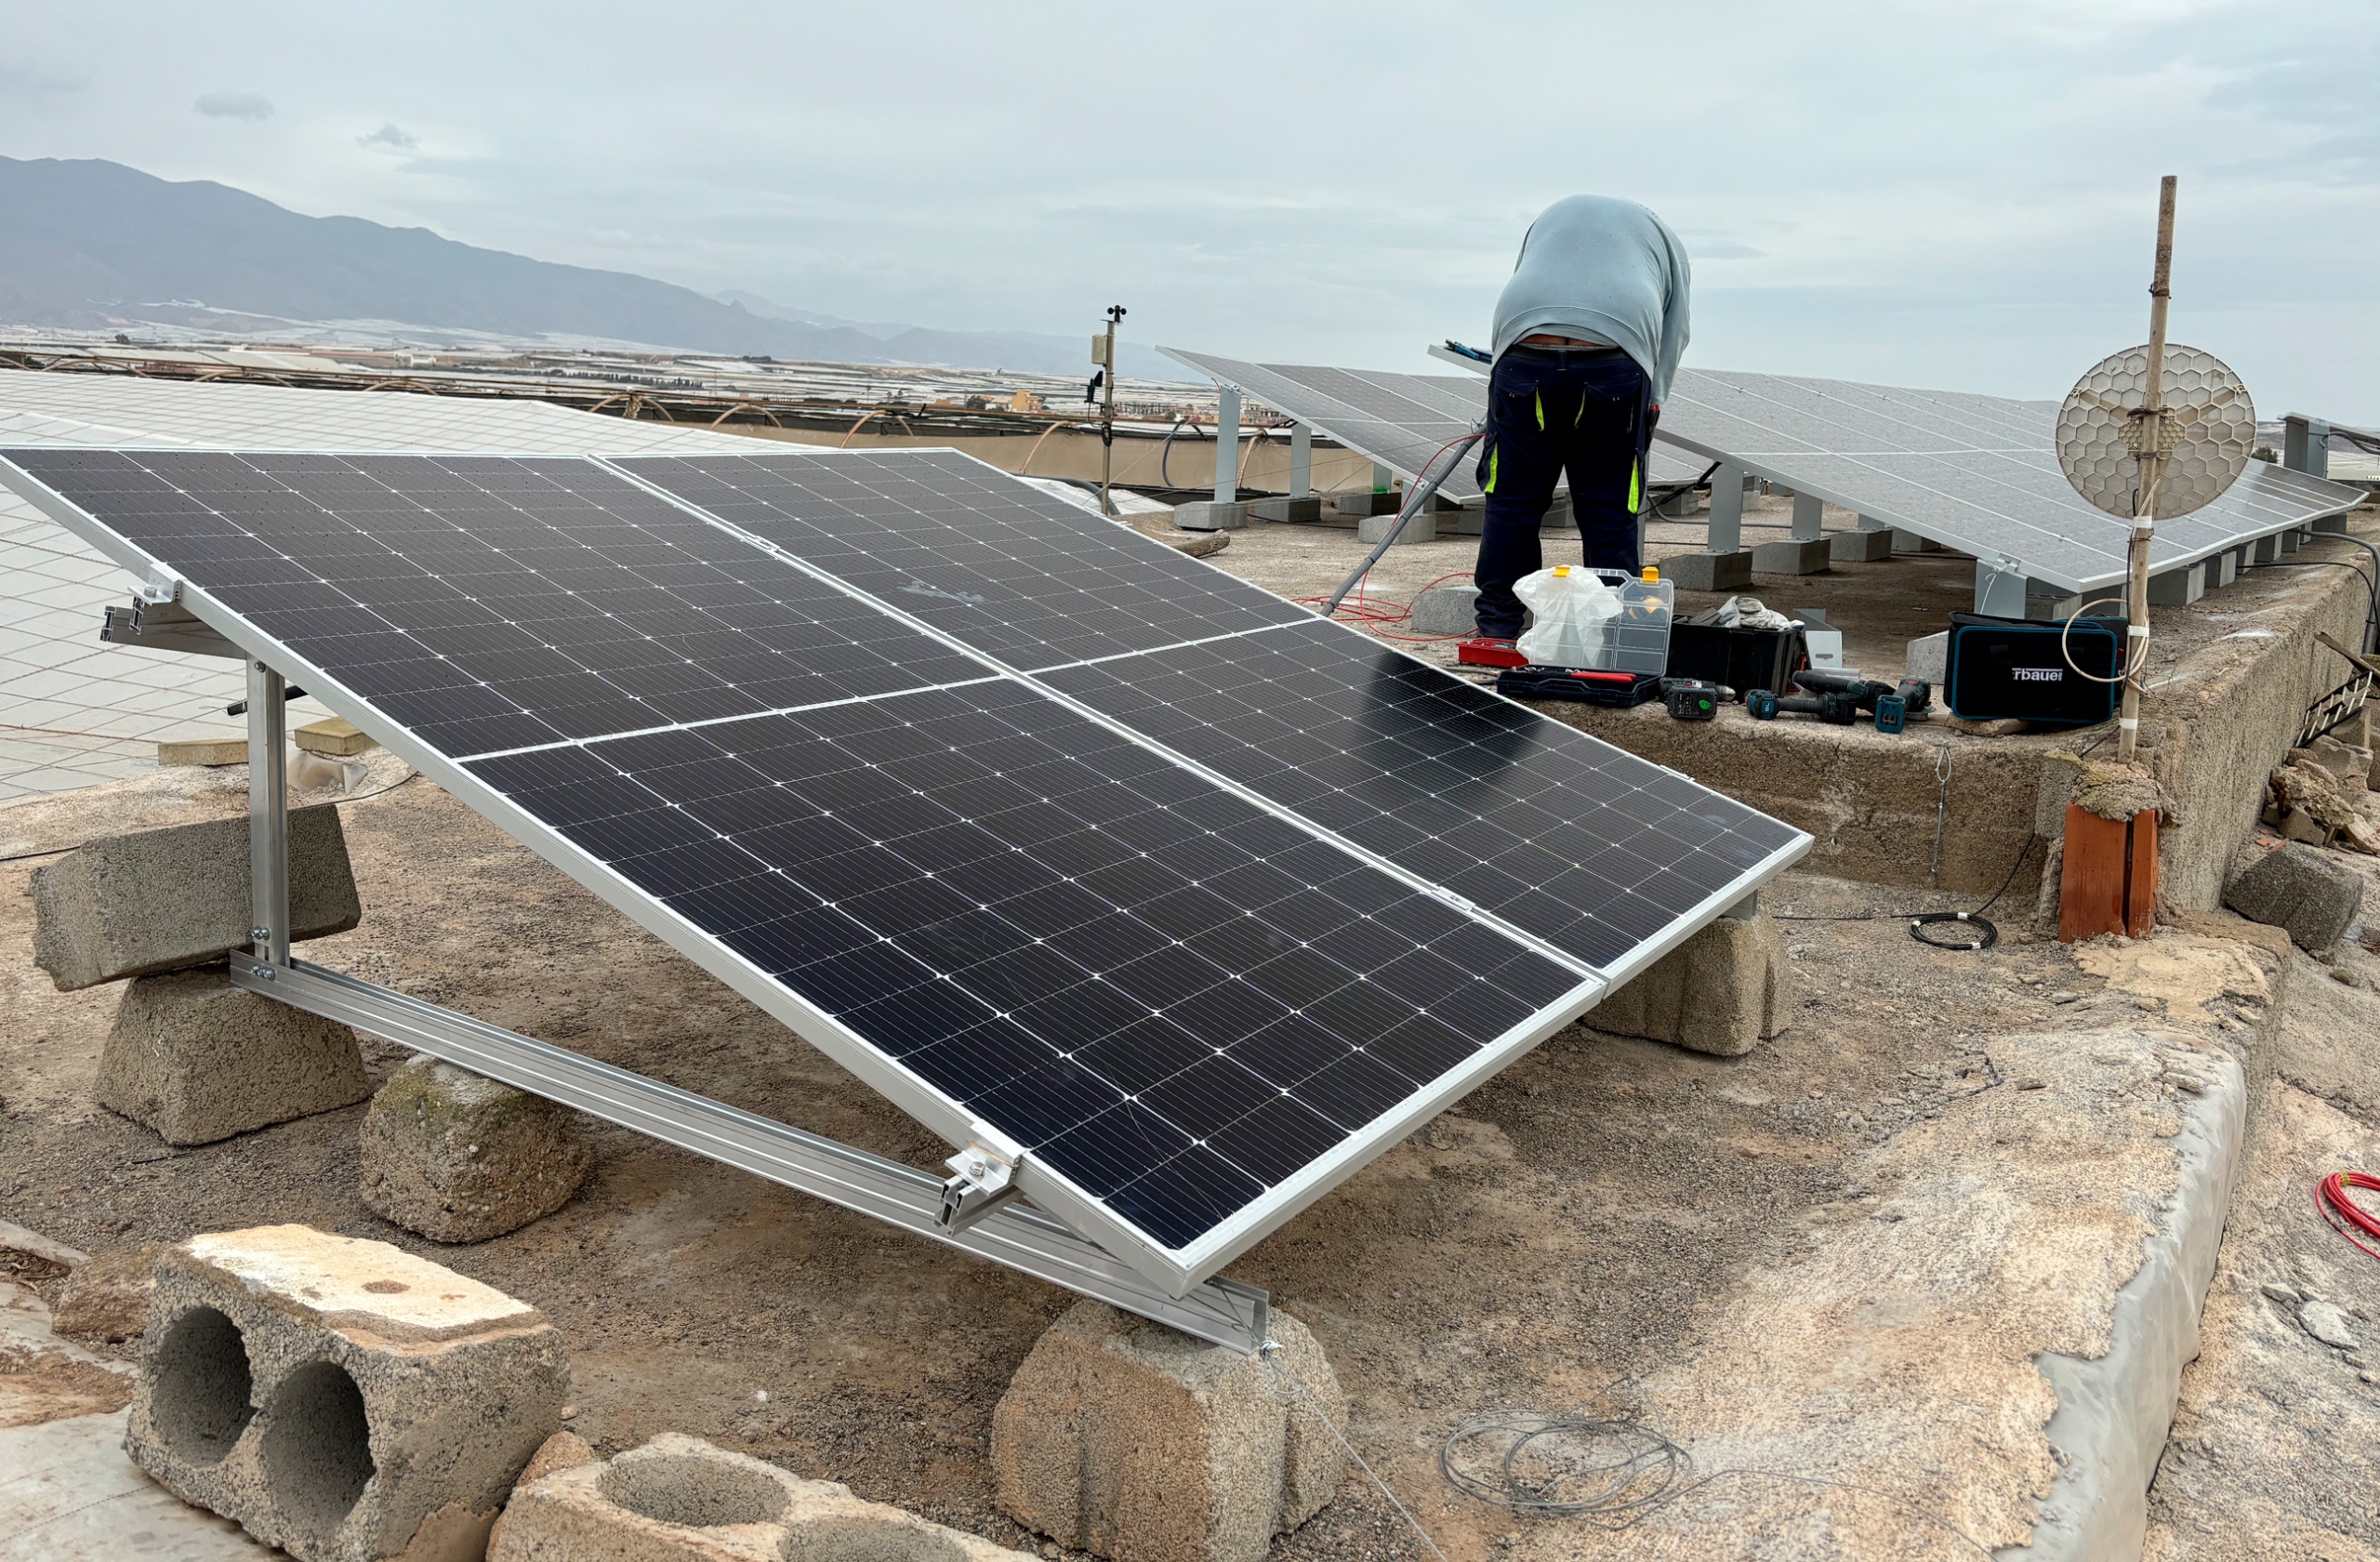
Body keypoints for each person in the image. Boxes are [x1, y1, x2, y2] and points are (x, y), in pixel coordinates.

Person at [1471, 194, 1691, 645]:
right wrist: (1654, 401)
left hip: (1523, 350)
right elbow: (1676, 329)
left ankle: (1495, 631)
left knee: (1512, 501)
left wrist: (1501, 385)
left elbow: (1523, 281)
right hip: (1614, 355)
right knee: (1609, 508)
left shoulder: (1547, 219)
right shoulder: (1665, 242)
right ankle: (1609, 640)